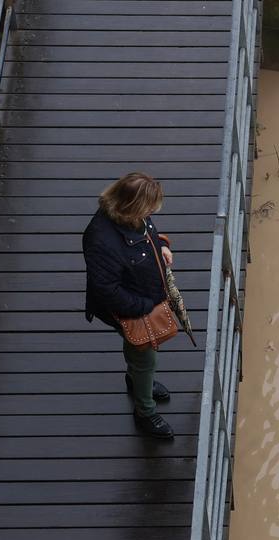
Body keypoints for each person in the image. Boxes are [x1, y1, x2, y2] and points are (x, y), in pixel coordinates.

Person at [82, 172, 176, 438]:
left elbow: (145, 237)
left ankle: (136, 379)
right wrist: (145, 306)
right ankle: (145, 412)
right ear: (131, 205)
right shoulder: (100, 239)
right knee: (146, 355)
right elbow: (106, 290)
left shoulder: (132, 216)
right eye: (148, 209)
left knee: (137, 353)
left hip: (139, 298)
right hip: (128, 307)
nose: (151, 213)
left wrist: (160, 244)